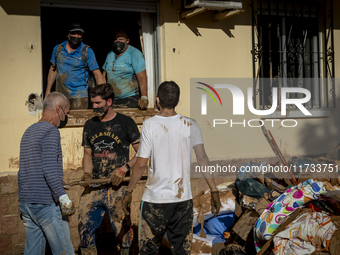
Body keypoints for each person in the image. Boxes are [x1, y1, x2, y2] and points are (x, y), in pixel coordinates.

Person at [121, 81, 222, 255]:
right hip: (182, 201)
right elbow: (203, 159)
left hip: (155, 201)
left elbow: (141, 164)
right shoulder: (191, 125)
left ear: (157, 101)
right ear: (178, 100)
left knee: (149, 250)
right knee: (181, 251)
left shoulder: (149, 125)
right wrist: (214, 191)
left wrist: (129, 191)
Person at [78, 83, 140, 255]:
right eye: (93, 103)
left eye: (98, 103)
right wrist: (87, 174)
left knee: (123, 229)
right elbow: (88, 154)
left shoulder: (126, 123)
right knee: (84, 225)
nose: (94, 107)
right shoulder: (89, 125)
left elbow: (142, 152)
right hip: (95, 186)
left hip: (118, 187)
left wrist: (125, 168)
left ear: (110, 101)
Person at [18, 92, 75, 255]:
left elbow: (22, 171)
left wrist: (21, 200)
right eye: (66, 113)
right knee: (64, 252)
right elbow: (49, 170)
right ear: (58, 109)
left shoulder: (28, 132)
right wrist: (63, 197)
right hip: (46, 204)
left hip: (27, 204)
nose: (65, 119)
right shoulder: (51, 131)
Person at [46, 23, 104, 109]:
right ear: (68, 34)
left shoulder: (86, 51)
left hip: (79, 95)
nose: (76, 36)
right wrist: (48, 90)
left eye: (79, 34)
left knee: (78, 120)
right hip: (61, 94)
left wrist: (102, 96)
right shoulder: (58, 49)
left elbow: (97, 73)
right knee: (61, 120)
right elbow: (53, 69)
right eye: (74, 33)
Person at [103, 30, 148, 109]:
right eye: (115, 40)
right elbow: (104, 74)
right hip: (111, 99)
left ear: (127, 41)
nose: (117, 42)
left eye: (120, 39)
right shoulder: (110, 54)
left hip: (129, 98)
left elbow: (142, 76)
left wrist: (144, 96)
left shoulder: (134, 53)